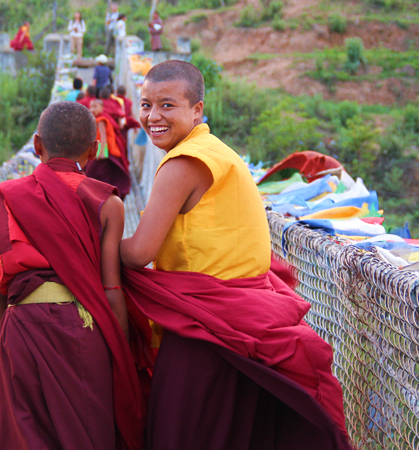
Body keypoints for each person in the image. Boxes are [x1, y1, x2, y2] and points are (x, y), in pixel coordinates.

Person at [120, 60, 351, 449]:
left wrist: (90, 237)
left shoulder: (182, 164)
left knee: (184, 434)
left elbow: (139, 252)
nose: (153, 116)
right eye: (145, 105)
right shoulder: (216, 151)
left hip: (206, 324)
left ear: (197, 110)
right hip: (244, 313)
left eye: (167, 105)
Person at [0, 101, 145, 450]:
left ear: (37, 145)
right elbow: (112, 289)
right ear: (94, 150)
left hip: (21, 329)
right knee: (87, 435)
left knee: (27, 437)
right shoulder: (107, 203)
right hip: (83, 330)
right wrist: (122, 354)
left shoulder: (5, 200)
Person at [86, 99, 131, 200]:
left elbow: (103, 135)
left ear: (102, 108)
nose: (93, 109)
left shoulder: (101, 119)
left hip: (105, 151)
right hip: (100, 151)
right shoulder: (97, 119)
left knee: (99, 173)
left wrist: (101, 151)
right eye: (91, 107)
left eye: (95, 107)